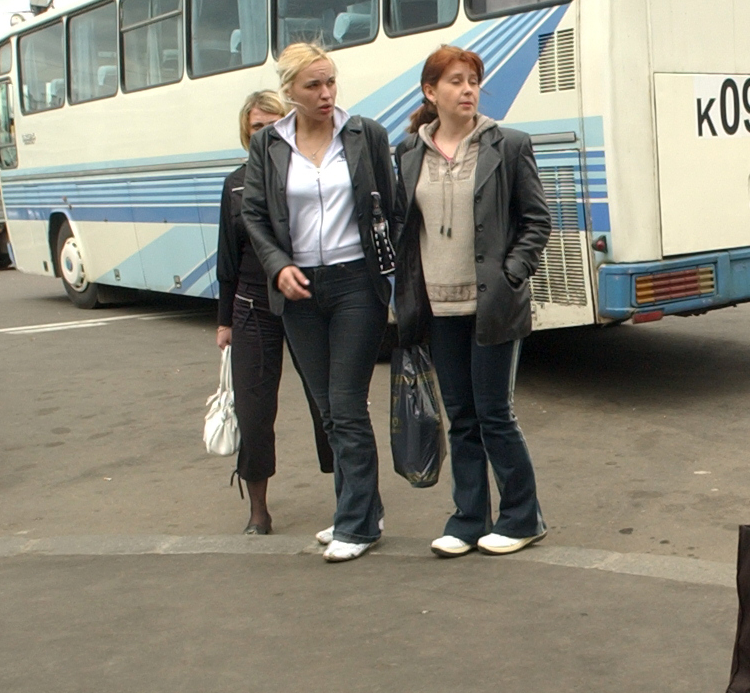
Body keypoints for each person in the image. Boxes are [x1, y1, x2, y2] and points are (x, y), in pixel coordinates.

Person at [390, 45, 553, 557]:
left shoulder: (507, 145)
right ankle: (468, 519)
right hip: (436, 308)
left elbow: (536, 222)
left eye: (473, 81)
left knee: (494, 413)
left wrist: (510, 276)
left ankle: (522, 517)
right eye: (456, 81)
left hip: (491, 306)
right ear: (430, 91)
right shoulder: (409, 152)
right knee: (460, 415)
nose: (467, 90)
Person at [241, 43, 399, 563]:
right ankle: (363, 509)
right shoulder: (269, 144)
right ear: (289, 91)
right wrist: (277, 265)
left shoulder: (364, 133)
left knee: (348, 403)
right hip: (298, 287)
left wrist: (390, 273)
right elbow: (256, 216)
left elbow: (392, 208)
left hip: (357, 283)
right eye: (313, 86)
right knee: (329, 409)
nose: (327, 93)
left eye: (331, 82)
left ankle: (356, 525)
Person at [214, 89, 333, 533]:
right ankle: (258, 509)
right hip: (251, 304)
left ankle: (351, 494)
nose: (263, 134)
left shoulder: (304, 175)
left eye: (271, 125)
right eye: (255, 128)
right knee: (254, 409)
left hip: (304, 300)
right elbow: (227, 256)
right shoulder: (236, 184)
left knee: (329, 403)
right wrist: (224, 321)